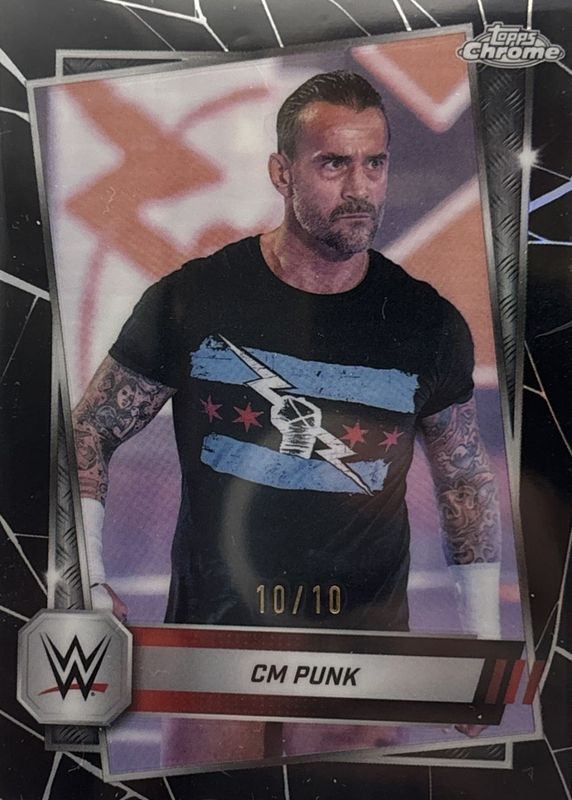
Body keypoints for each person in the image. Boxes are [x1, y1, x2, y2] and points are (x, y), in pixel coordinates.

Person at [72, 70, 501, 755]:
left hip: (362, 652)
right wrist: (86, 577)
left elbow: (464, 477)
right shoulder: (193, 298)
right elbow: (90, 429)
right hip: (218, 643)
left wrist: (481, 636)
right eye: (333, 164)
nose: (359, 187)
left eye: (374, 163)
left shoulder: (427, 322)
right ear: (281, 172)